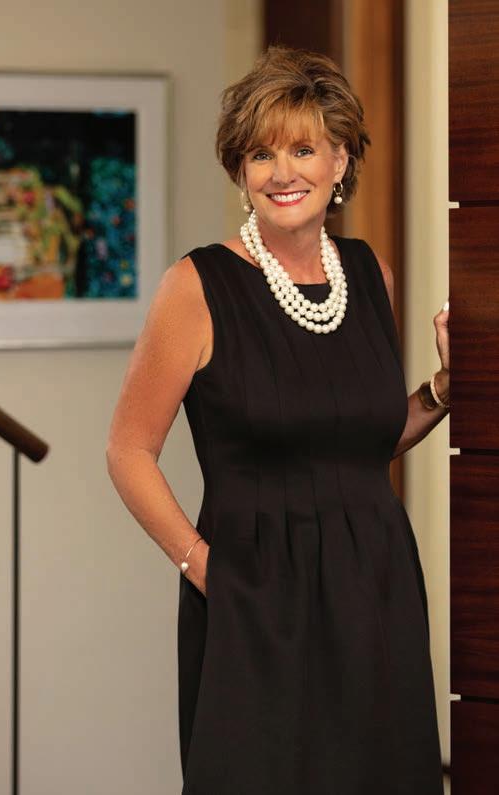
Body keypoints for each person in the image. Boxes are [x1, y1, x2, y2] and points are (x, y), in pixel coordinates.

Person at [106, 44, 449, 794]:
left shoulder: (371, 273)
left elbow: (355, 442)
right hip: (253, 592)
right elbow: (127, 450)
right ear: (240, 170)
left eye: (302, 149)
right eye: (261, 153)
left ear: (340, 161)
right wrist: (204, 568)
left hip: (376, 586)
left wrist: (441, 391)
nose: (281, 172)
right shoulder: (196, 285)